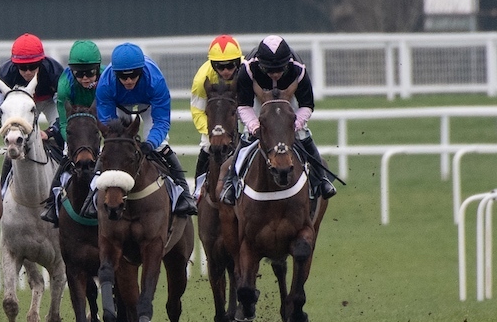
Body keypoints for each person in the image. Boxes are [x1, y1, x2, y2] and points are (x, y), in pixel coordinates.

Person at [225, 35, 337, 204]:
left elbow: (306, 105)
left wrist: (294, 125)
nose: (275, 74)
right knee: (247, 137)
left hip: (288, 101)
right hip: (257, 102)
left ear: (287, 63)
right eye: (270, 70)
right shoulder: (248, 69)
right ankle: (231, 183)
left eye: (280, 70)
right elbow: (243, 105)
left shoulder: (298, 69)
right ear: (261, 65)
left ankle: (321, 180)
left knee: (303, 134)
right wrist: (255, 127)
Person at [90, 42, 197, 218]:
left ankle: (184, 194)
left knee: (160, 145)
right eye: (123, 78)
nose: (129, 81)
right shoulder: (106, 84)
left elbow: (161, 121)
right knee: (112, 148)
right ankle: (91, 197)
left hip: (147, 104)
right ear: (116, 75)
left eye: (134, 76)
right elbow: (106, 122)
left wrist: (150, 143)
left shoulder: (156, 81)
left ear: (141, 71)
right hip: (117, 104)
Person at [40, 39, 102, 226]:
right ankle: (52, 203)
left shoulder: (108, 79)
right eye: (79, 74)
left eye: (90, 73)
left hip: (102, 118)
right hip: (76, 121)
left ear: (98, 69)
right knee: (69, 155)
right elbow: (65, 123)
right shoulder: (64, 85)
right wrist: (75, 146)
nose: (85, 78)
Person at [0, 33, 65, 185]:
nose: (27, 72)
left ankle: (66, 177)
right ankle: (3, 189)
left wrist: (51, 132)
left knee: (63, 138)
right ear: (14, 65)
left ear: (41, 62)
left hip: (50, 102)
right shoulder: (5, 74)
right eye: (22, 67)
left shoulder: (55, 72)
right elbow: (0, 107)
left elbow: (64, 110)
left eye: (32, 67)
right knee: (12, 149)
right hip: (20, 106)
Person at [190, 35, 243, 183]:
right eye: (220, 66)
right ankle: (198, 189)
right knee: (207, 145)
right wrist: (213, 131)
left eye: (231, 65)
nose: (225, 71)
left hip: (243, 110)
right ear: (213, 65)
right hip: (216, 117)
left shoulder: (247, 71)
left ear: (238, 62)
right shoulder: (202, 79)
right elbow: (197, 111)